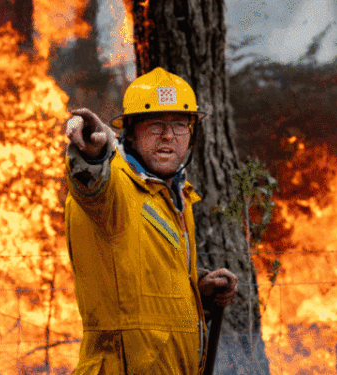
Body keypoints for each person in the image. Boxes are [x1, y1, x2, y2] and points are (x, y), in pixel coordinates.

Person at [64, 67, 239, 375]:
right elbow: (92, 180)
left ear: (191, 134)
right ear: (129, 133)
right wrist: (94, 152)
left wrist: (197, 289)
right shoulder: (114, 186)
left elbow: (144, 276)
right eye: (155, 124)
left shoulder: (173, 195)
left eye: (179, 125)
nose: (168, 135)